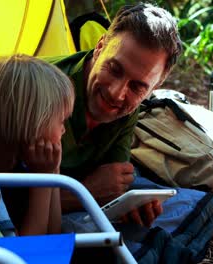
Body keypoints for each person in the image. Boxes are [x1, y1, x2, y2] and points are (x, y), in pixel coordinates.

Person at [45, 3, 182, 227]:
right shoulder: (40, 92)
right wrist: (87, 192)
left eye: (138, 87)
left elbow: (114, 182)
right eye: (114, 69)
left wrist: (126, 204)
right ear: (100, 47)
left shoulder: (129, 108)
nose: (116, 93)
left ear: (154, 88)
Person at [0, 54, 75, 235]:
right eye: (61, 121)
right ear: (33, 122)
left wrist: (53, 171)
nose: (63, 130)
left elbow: (54, 233)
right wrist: (42, 179)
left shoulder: (21, 164)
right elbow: (30, 249)